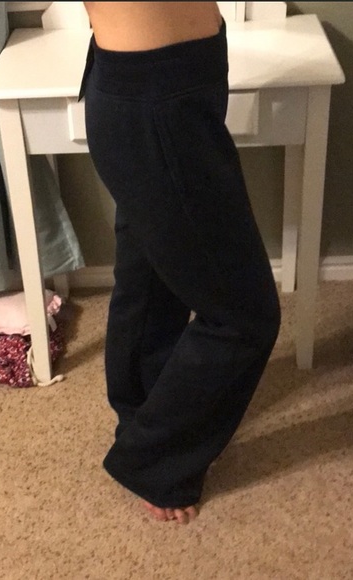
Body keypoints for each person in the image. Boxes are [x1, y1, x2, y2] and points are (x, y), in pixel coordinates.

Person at [80, 2, 281, 524]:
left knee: (151, 276)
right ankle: (154, 460)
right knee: (243, 315)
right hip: (155, 96)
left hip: (169, 83)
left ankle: (143, 415)